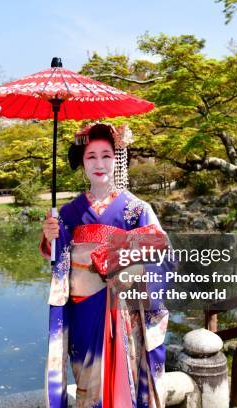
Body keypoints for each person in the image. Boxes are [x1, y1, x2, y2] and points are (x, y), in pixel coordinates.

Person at [40, 123, 176, 408]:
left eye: (106, 155)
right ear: (82, 162)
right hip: (84, 308)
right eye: (91, 156)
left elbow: (164, 257)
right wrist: (52, 235)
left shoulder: (136, 209)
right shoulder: (68, 212)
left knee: (124, 380)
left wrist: (125, 268)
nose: (99, 164)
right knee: (88, 384)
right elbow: (60, 263)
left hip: (123, 310)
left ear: (117, 159)